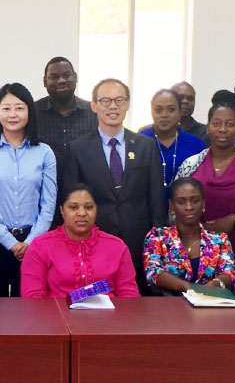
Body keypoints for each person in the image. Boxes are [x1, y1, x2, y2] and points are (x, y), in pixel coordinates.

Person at [63, 78, 167, 295]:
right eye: (106, 100)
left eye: (119, 100)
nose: (113, 106)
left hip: (138, 240)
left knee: (136, 303)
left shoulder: (145, 146)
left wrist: (158, 241)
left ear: (128, 104)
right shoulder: (78, 149)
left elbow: (156, 198)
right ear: (94, 105)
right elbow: (72, 201)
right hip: (94, 239)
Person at [0, 83, 57, 297]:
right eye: (6, 108)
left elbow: (48, 205)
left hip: (33, 241)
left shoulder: (45, 153)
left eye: (19, 108)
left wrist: (29, 243)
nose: (12, 114)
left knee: (29, 307)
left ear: (29, 111)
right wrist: (10, 242)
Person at [174, 90, 235, 271]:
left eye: (229, 124)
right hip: (192, 253)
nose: (222, 129)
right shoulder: (190, 165)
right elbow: (174, 210)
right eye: (216, 123)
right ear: (208, 127)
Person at [21, 184, 139, 298]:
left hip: (109, 316)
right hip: (57, 316)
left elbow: (129, 296)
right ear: (62, 210)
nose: (82, 213)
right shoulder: (41, 246)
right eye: (73, 207)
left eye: (88, 207)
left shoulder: (117, 247)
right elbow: (33, 298)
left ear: (96, 209)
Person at [143, 178, 235, 293]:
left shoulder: (219, 239)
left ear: (203, 203)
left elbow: (230, 273)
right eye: (181, 202)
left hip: (210, 304)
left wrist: (216, 283)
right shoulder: (157, 237)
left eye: (195, 201)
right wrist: (189, 288)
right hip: (169, 306)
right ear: (172, 206)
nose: (189, 207)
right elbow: (153, 272)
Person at [34, 57, 97, 177]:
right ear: (44, 81)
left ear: (75, 77)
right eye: (54, 77)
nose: (61, 80)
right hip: (43, 187)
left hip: (85, 188)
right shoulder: (32, 113)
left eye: (66, 75)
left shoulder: (93, 112)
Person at [139, 89, 206, 201]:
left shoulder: (196, 144)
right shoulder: (139, 141)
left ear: (180, 112)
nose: (164, 115)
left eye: (171, 109)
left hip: (185, 213)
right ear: (151, 112)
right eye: (158, 110)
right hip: (145, 213)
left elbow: (202, 185)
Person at [171, 81, 209, 146]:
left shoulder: (206, 133)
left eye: (190, 99)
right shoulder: (156, 132)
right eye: (180, 97)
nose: (185, 101)